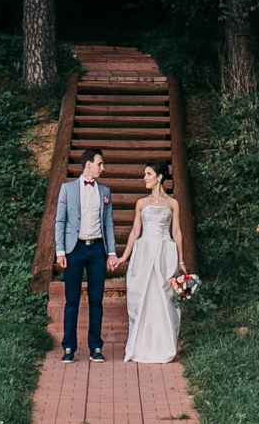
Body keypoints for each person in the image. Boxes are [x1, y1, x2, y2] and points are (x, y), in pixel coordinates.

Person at [112, 161, 189, 363]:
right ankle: (140, 346)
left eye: (148, 174)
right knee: (142, 298)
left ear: (159, 177)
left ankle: (164, 345)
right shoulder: (141, 203)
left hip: (164, 253)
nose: (144, 178)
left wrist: (181, 260)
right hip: (144, 253)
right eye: (144, 174)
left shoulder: (172, 204)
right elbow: (135, 232)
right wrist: (124, 257)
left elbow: (177, 232)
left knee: (164, 299)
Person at [53, 147, 113, 362]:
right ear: (88, 164)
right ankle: (69, 347)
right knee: (72, 300)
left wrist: (111, 252)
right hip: (74, 249)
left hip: (97, 249)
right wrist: (60, 251)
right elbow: (60, 221)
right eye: (100, 164)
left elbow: (108, 224)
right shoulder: (67, 189)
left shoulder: (105, 192)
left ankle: (95, 347)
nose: (102, 168)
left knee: (96, 300)